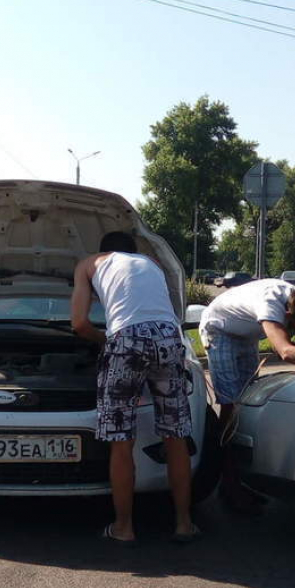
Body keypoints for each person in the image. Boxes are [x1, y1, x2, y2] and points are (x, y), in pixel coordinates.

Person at [71, 231, 197, 545]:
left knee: (121, 441)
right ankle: (184, 523)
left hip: (126, 341)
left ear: (104, 251)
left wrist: (109, 341)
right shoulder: (151, 263)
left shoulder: (89, 263)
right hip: (170, 339)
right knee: (176, 435)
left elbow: (79, 325)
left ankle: (124, 528)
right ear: (133, 251)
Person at [199, 279, 295, 511]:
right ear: (290, 313)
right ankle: (228, 485)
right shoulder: (272, 303)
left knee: (248, 404)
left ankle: (240, 480)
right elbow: (286, 351)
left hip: (244, 335)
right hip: (219, 330)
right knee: (231, 410)